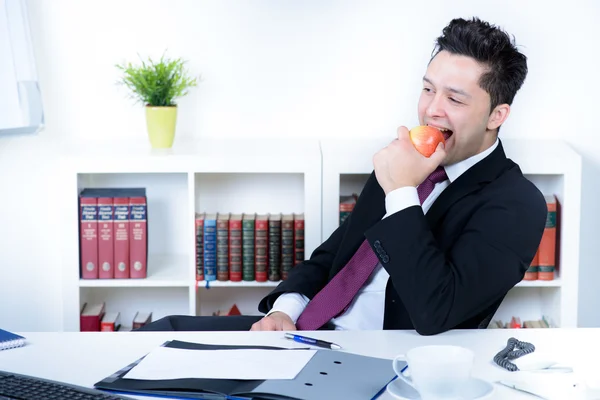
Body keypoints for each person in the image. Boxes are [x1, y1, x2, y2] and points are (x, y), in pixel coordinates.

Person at [138, 16, 547, 335]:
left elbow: (436, 310)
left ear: (497, 115)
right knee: (161, 333)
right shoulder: (406, 160)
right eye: (427, 89)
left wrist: (402, 191)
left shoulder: (516, 203)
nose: (431, 110)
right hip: (307, 333)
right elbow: (338, 255)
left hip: (382, 359)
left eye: (454, 98)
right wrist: (285, 310)